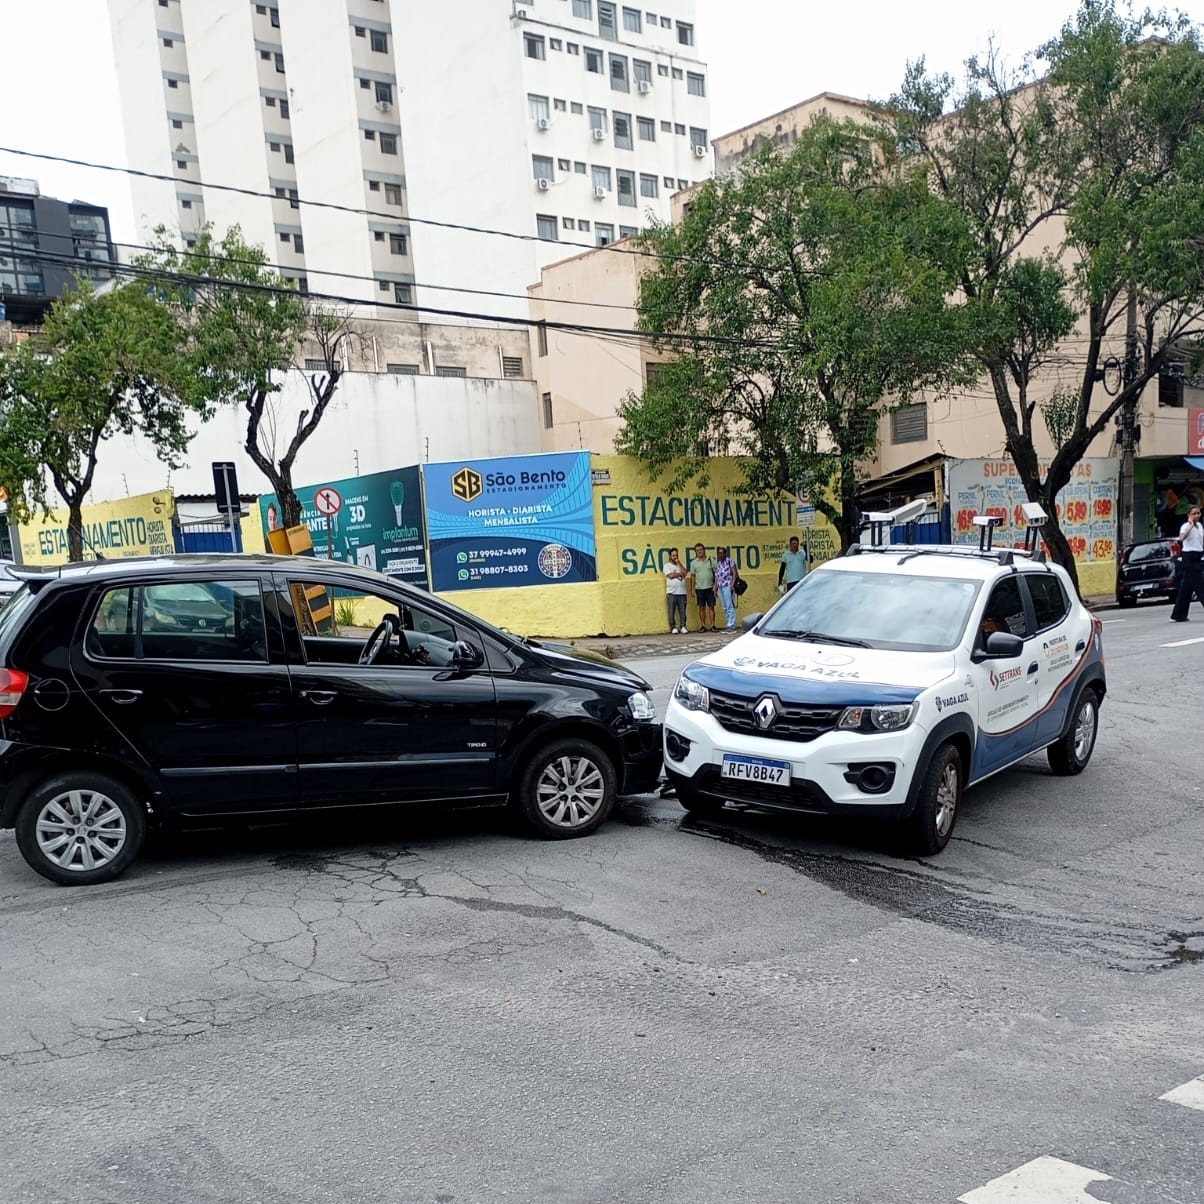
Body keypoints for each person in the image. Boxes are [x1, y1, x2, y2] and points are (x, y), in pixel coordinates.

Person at [1170, 504, 1204, 622]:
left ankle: (1178, 614)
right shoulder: (1185, 526)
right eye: (1194, 513)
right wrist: (1190, 525)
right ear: (1189, 515)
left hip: (1198, 556)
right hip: (1188, 557)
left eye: (1198, 513)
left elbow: (1200, 542)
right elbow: (1182, 538)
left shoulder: (1200, 526)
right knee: (1200, 584)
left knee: (1186, 588)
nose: (1197, 516)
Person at [688, 542, 717, 632]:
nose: (699, 552)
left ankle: (713, 625)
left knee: (711, 607)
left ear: (704, 550)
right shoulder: (693, 563)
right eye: (697, 551)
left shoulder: (711, 560)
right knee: (701, 607)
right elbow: (693, 576)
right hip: (699, 588)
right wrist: (692, 589)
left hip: (710, 587)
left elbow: (716, 574)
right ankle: (703, 625)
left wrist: (716, 585)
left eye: (700, 550)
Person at [714, 546, 742, 632]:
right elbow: (716, 577)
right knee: (725, 607)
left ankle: (731, 625)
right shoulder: (718, 564)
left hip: (728, 586)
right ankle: (728, 623)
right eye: (719, 553)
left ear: (725, 553)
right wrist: (715, 588)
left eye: (722, 553)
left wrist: (732, 585)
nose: (721, 554)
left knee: (729, 606)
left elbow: (734, 574)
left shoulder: (730, 561)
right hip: (720, 587)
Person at [663, 548, 688, 634]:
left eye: (676, 555)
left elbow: (685, 572)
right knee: (671, 611)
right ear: (670, 556)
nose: (675, 557)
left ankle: (683, 626)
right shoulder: (667, 566)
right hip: (672, 592)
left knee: (683, 611)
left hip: (682, 592)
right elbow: (670, 575)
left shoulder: (681, 564)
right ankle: (673, 627)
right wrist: (680, 574)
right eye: (673, 555)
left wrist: (679, 564)